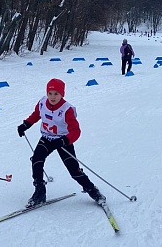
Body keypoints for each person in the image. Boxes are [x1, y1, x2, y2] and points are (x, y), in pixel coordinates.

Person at [17, 78, 105, 208]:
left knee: (73, 169)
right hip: (46, 138)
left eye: (56, 94)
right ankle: (40, 192)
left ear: (62, 94)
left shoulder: (66, 109)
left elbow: (76, 131)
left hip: (63, 141)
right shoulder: (42, 103)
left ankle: (92, 190)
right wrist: (25, 124)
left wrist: (64, 140)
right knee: (36, 160)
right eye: (50, 93)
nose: (52, 97)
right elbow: (36, 114)